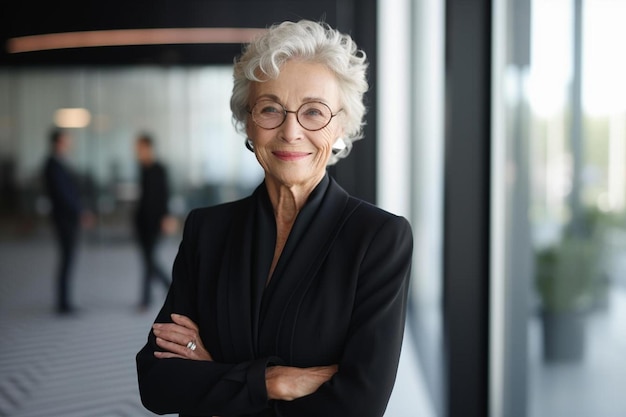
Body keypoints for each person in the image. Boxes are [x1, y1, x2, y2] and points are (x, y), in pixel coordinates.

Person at [136, 19, 413, 417]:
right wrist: (272, 383)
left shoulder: (378, 238)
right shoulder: (207, 230)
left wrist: (214, 374)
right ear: (247, 121)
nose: (291, 131)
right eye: (270, 109)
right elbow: (156, 382)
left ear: (342, 126)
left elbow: (358, 406)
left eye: (314, 112)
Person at [43, 128, 90, 315]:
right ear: (58, 142)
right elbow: (64, 195)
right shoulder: (53, 165)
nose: (69, 143)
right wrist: (80, 212)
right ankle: (63, 302)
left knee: (68, 259)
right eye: (66, 140)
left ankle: (64, 300)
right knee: (67, 259)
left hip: (67, 218)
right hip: (64, 219)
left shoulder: (60, 163)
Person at [133, 133, 172, 310]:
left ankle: (149, 297)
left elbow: (164, 195)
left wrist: (166, 217)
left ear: (148, 147)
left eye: (140, 147)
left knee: (149, 260)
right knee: (148, 260)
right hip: (141, 221)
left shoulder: (159, 169)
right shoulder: (142, 168)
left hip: (155, 221)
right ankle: (164, 289)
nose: (137, 151)